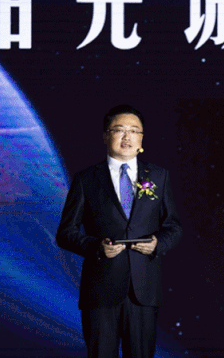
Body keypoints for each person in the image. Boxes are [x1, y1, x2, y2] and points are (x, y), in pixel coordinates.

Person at [56, 104, 182, 358]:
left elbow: (174, 227)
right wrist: (96, 247)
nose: (127, 136)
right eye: (119, 130)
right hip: (100, 290)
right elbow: (65, 233)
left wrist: (157, 244)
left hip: (143, 290)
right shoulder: (86, 179)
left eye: (134, 131)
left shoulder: (158, 176)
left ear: (142, 138)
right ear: (106, 135)